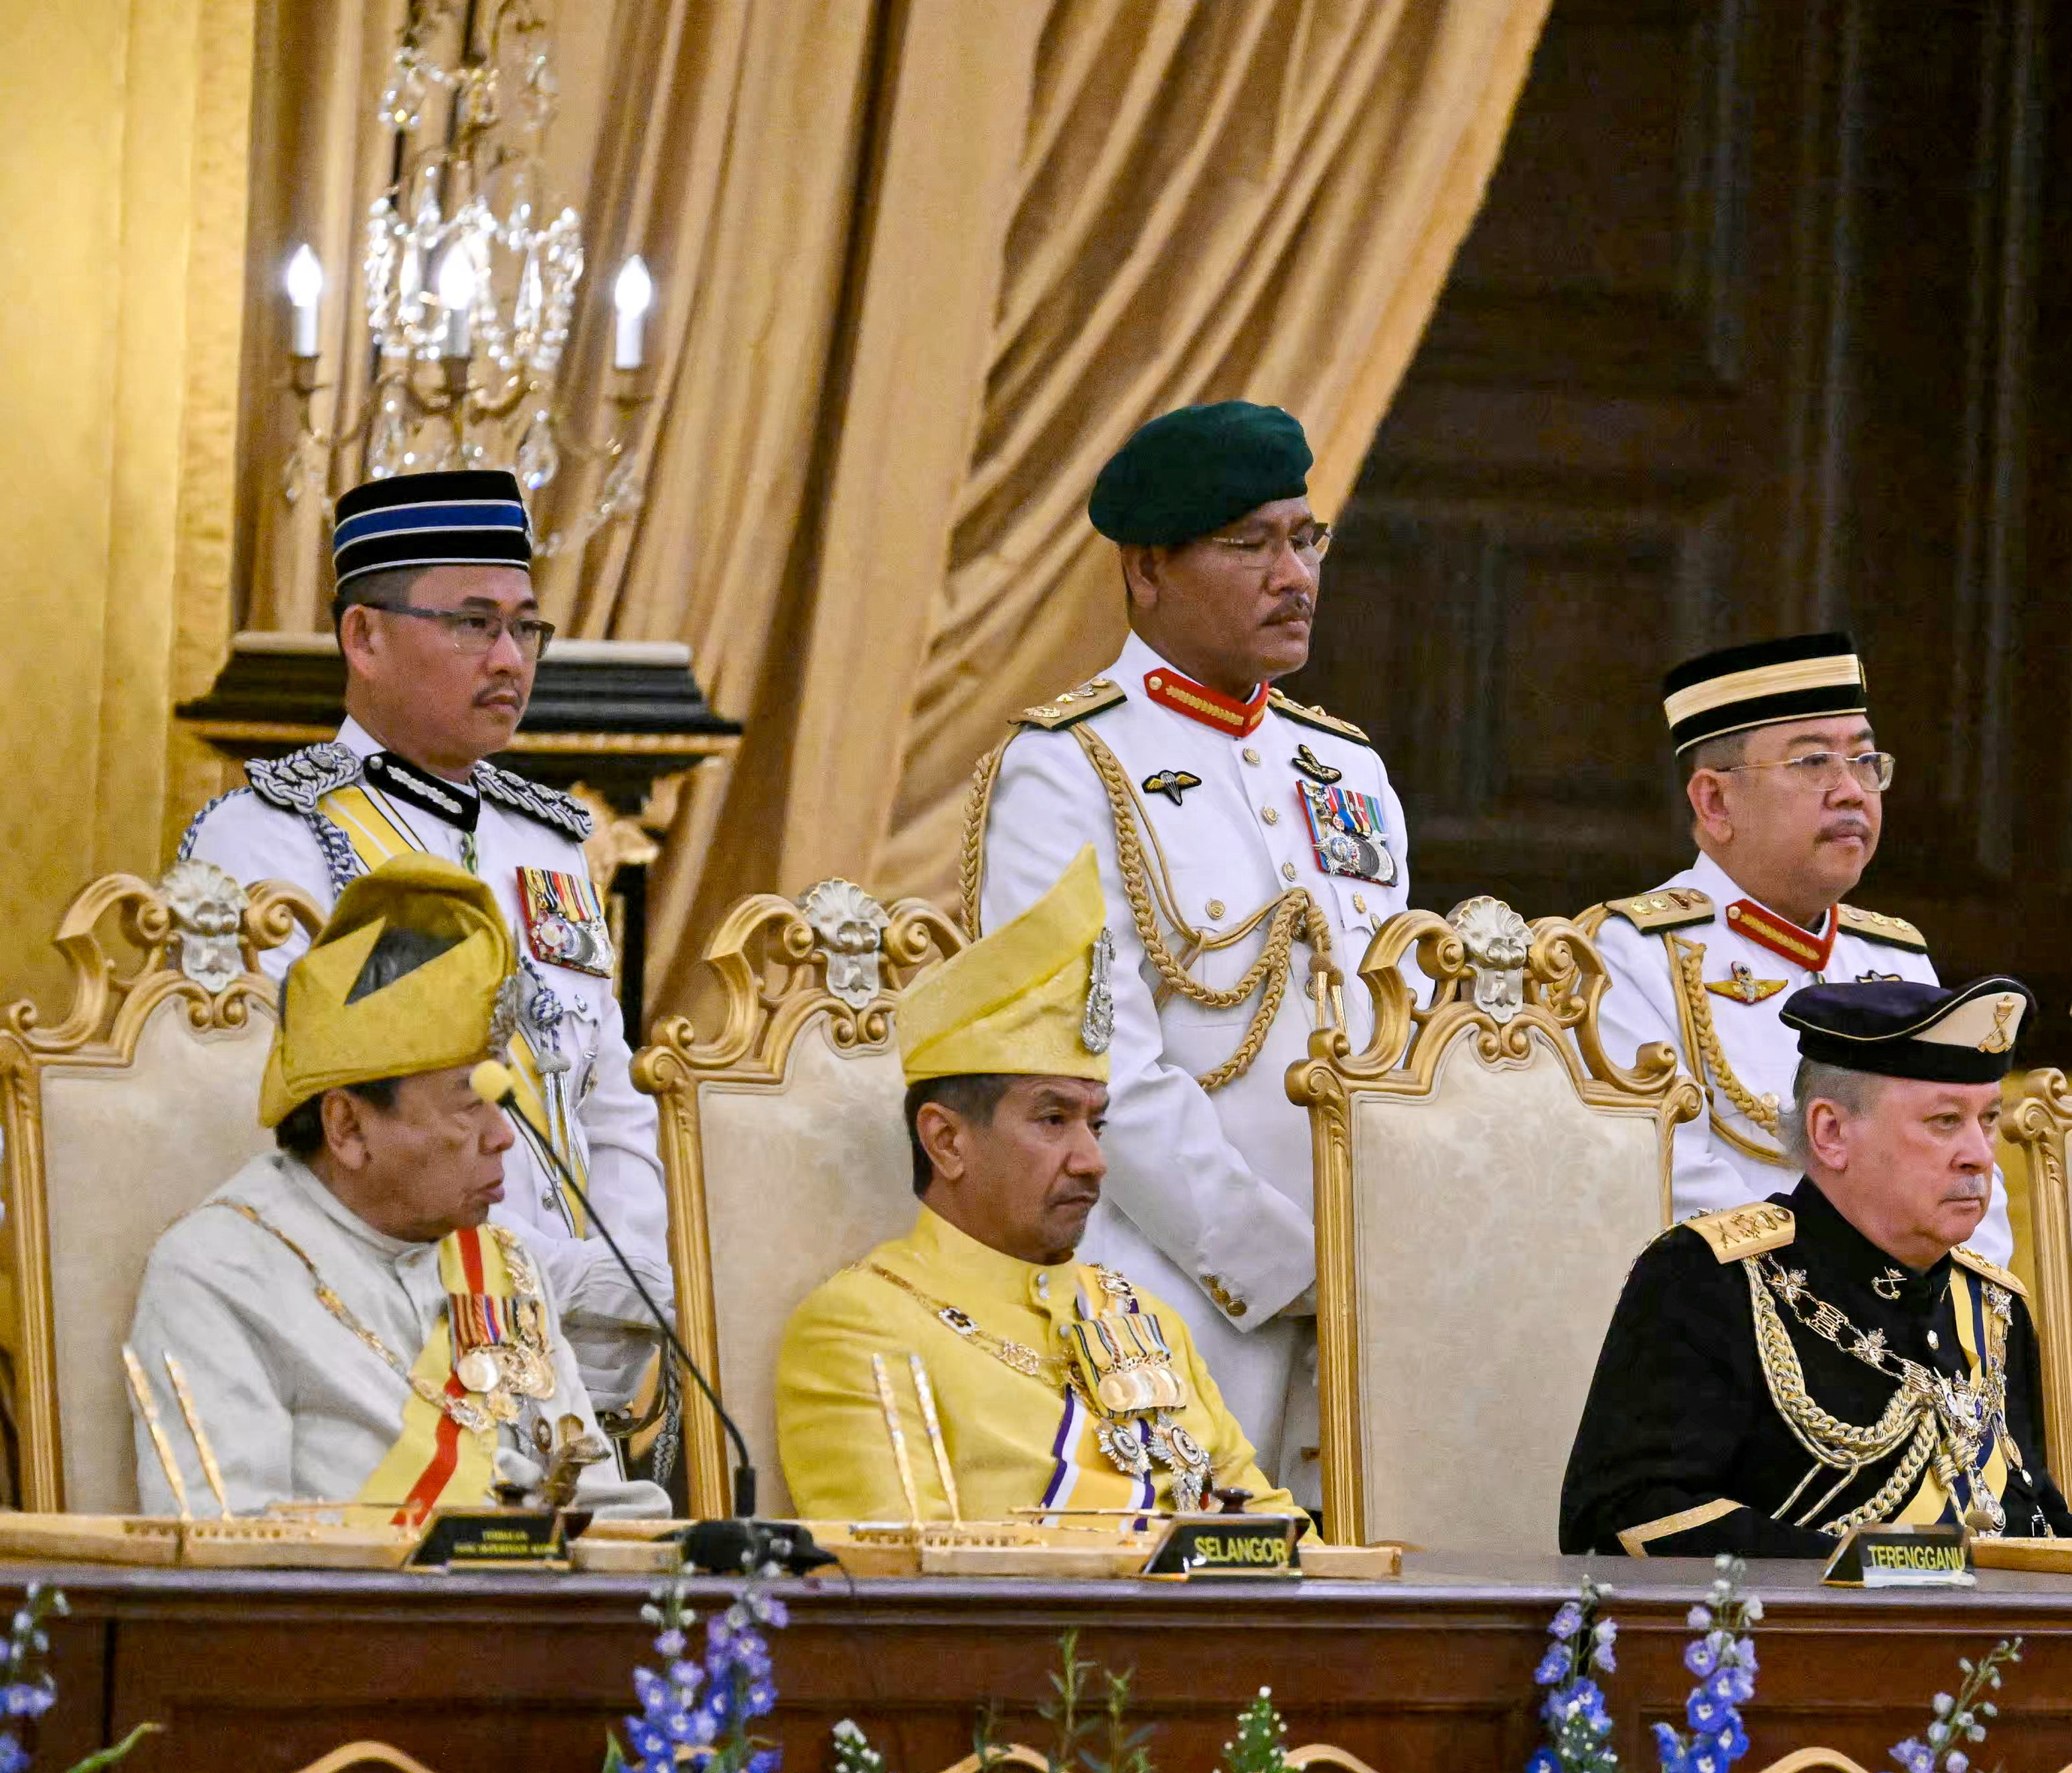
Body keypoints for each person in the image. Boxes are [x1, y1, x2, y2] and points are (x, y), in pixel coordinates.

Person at [959, 400, 1411, 1499]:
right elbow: (1088, 1065)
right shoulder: (1066, 767)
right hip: (1165, 1303)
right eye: (1250, 543)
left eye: (1306, 540)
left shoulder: (1344, 770)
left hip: (1377, 1309)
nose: (1294, 574)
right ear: (1149, 570)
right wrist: (1290, 1262)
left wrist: (1391, 1257)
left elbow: (1403, 1034)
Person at [175, 469, 668, 1401]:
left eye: (525, 626)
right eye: (473, 622)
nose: (510, 658)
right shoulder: (269, 836)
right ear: (364, 636)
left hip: (582, 1355)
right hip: (382, 1343)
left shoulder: (552, 840)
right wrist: (533, 1277)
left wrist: (629, 1275)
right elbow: (277, 1124)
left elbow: (609, 1089)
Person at [125, 857, 665, 1520]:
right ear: (347, 1126)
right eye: (469, 1104)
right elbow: (225, 1547)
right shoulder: (217, 1275)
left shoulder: (499, 1264)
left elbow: (604, 1507)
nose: (503, 1138)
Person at [777, 852, 1293, 1525]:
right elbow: (904, 1595)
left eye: (1095, 1123)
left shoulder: (1144, 1319)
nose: (1092, 1160)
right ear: (947, 1141)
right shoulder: (863, 1328)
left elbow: (1271, 1537)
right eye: (1053, 1120)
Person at [1559, 978, 2072, 1555]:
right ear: (1831, 1133)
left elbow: (2037, 1521)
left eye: (1986, 1119)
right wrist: (1901, 1568)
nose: (1980, 1156)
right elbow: (1627, 1517)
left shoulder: (1990, 1307)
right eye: (1943, 1121)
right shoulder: (1709, 1280)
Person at [1587, 633, 2008, 1258]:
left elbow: (1974, 1188)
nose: (1851, 791)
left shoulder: (1896, 960)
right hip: (1740, 1329)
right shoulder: (1627, 958)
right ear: (1715, 800)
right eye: (1813, 764)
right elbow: (1668, 1189)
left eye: (1866, 763)